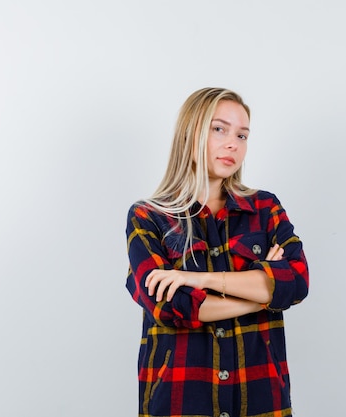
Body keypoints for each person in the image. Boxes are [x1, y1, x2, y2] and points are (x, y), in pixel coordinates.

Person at [125, 87, 309, 417]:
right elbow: (173, 307)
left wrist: (195, 278)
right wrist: (262, 293)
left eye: (242, 135)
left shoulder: (264, 208)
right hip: (179, 402)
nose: (232, 144)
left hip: (261, 400)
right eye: (219, 129)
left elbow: (296, 282)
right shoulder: (148, 216)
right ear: (190, 133)